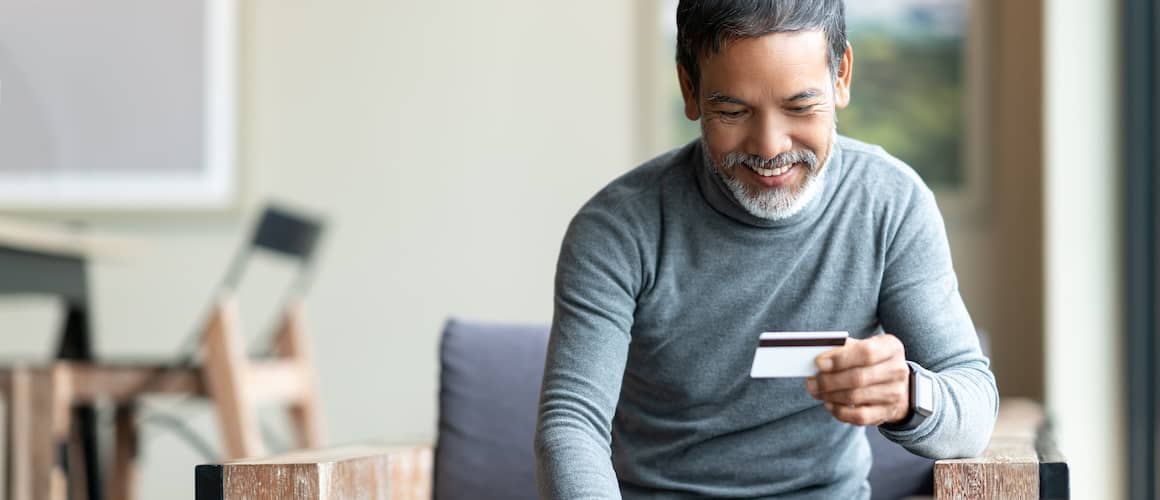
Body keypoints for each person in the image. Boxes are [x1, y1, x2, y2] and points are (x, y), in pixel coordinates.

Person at [533, 1, 998, 498]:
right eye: (732, 111)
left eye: (799, 107)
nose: (771, 146)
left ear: (840, 76)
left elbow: (972, 406)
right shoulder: (618, 228)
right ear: (690, 91)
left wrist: (910, 394)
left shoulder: (890, 204)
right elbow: (571, 425)